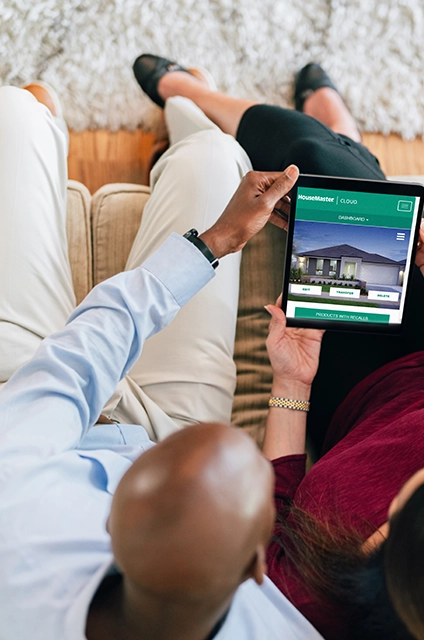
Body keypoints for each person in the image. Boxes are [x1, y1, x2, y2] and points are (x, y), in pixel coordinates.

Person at [133, 56, 424, 640]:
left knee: (331, 186)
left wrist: (293, 379)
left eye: (422, 491)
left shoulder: (318, 600)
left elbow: (279, 517)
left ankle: (330, 131)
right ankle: (213, 98)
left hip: (354, 395)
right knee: (339, 178)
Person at [0, 82, 324, 640]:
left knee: (15, 113)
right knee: (215, 156)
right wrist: (291, 379)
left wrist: (214, 242)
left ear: (110, 515)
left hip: (27, 397)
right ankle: (183, 121)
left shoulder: (15, 519)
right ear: (256, 571)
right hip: (171, 420)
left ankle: (48, 117)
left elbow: (73, 363)